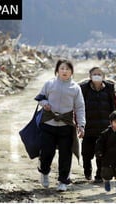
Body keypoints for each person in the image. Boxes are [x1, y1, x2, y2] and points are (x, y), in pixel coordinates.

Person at [36, 59, 86, 192]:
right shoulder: (50, 84)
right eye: (62, 68)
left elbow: (80, 107)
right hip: (48, 123)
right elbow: (40, 97)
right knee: (47, 151)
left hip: (66, 125)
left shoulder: (75, 88)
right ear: (57, 70)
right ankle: (44, 172)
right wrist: (44, 103)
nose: (64, 71)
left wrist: (81, 125)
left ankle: (63, 181)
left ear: (71, 72)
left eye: (67, 69)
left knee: (65, 154)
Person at [80, 67, 116, 183]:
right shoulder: (83, 89)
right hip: (88, 127)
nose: (97, 76)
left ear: (104, 76)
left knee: (101, 153)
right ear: (90, 76)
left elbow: (115, 107)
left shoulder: (109, 89)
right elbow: (78, 107)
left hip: (104, 128)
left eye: (99, 74)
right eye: (94, 74)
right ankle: (87, 170)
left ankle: (99, 175)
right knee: (86, 153)